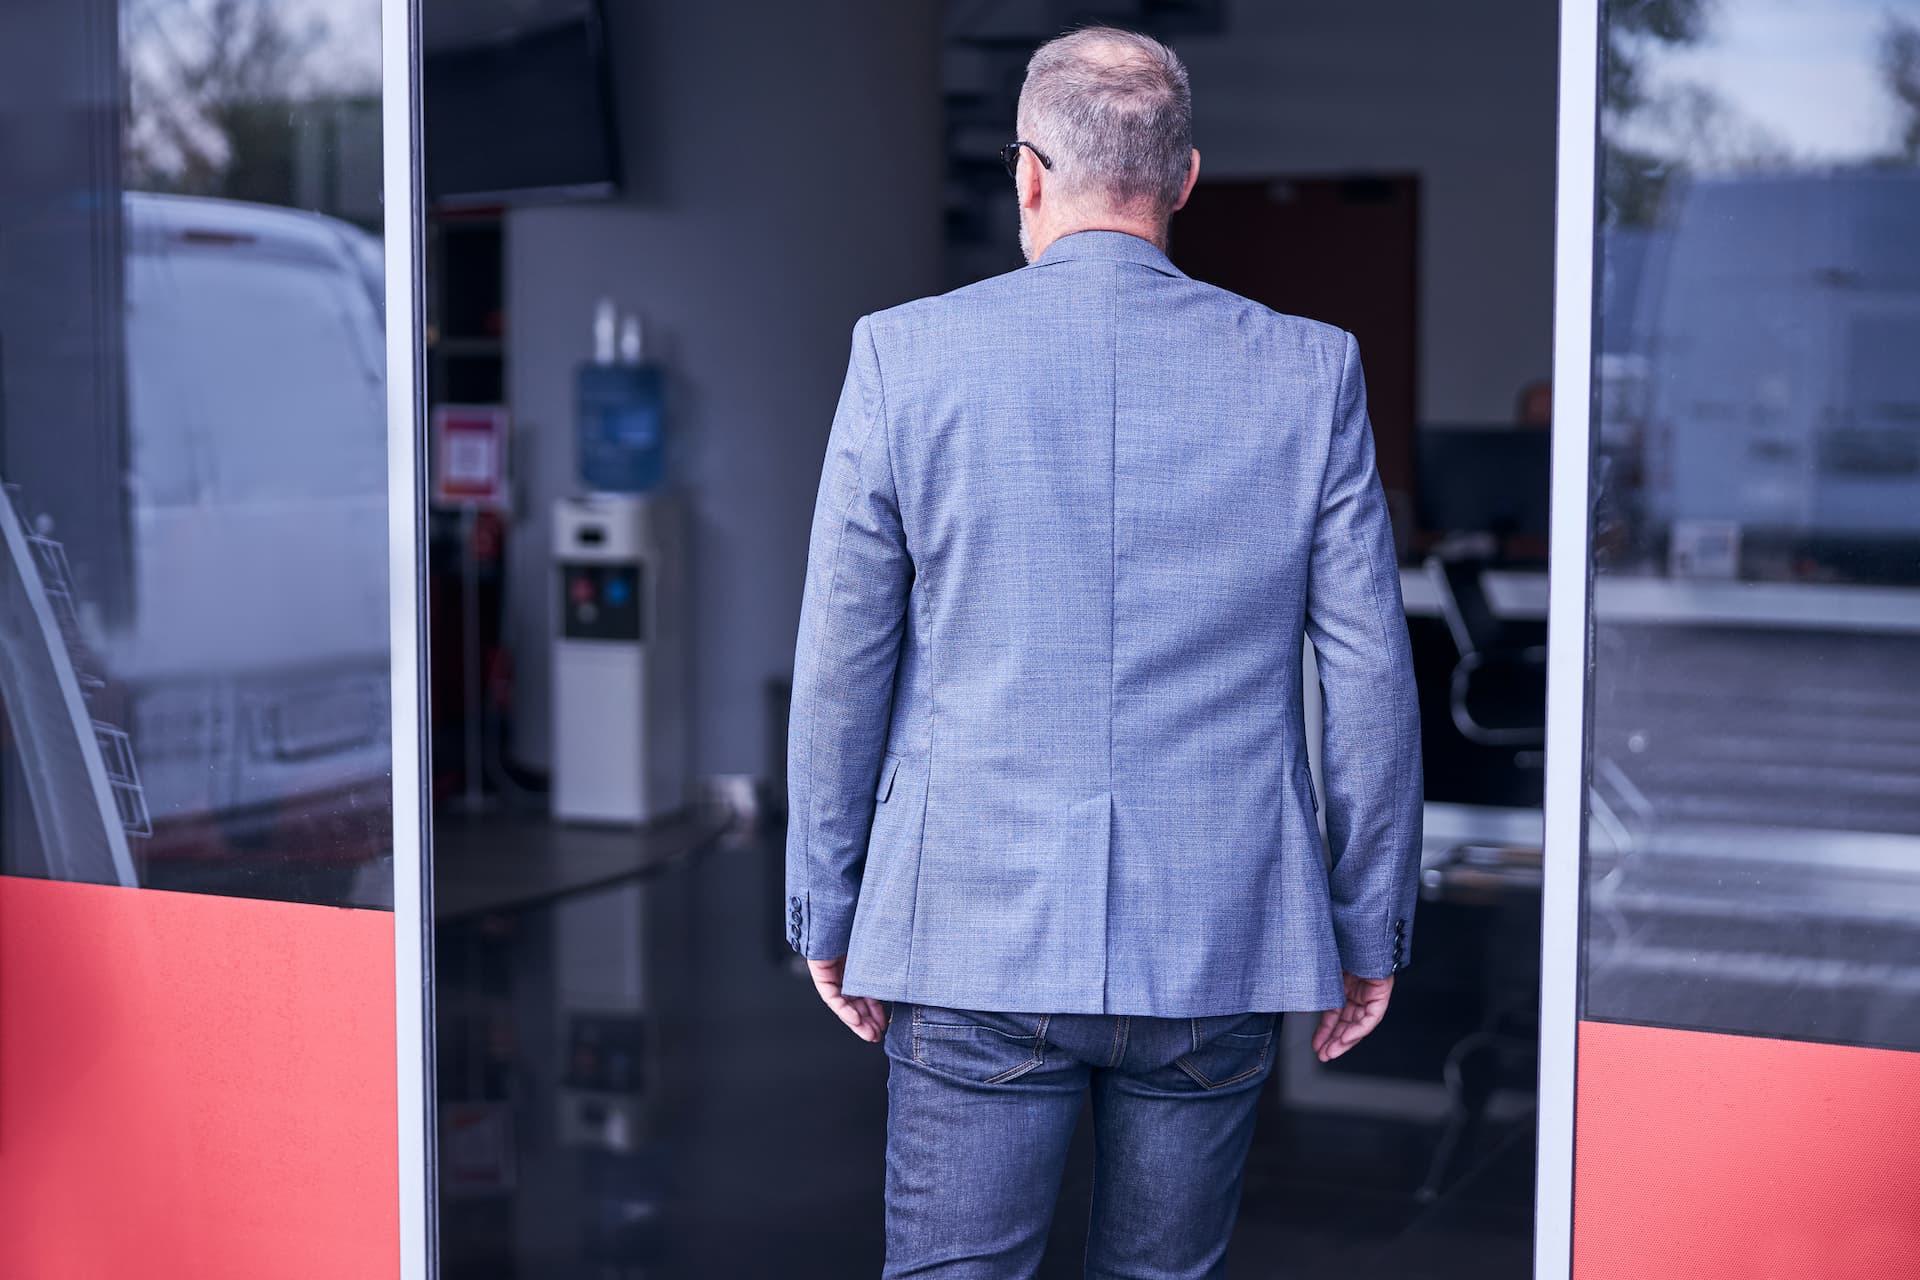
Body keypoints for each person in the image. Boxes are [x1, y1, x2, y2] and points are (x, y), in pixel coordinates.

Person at [785, 26, 1421, 1278]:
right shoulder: (1312, 371)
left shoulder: (903, 359)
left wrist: (826, 894)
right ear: (1184, 178)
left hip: (969, 930)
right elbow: (1369, 677)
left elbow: (840, 661)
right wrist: (1368, 922)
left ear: (1026, 173)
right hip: (1217, 937)